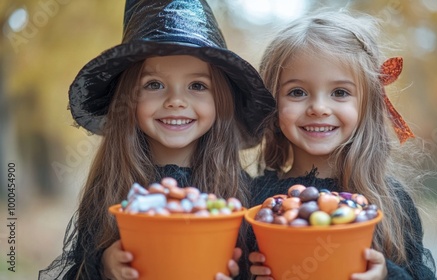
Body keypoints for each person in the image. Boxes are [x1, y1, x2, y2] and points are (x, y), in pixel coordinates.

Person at [38, 0, 274, 279]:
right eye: (154, 85)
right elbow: (80, 266)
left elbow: (257, 265)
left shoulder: (243, 191)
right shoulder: (111, 187)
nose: (175, 101)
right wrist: (104, 266)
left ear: (221, 100)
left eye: (197, 86)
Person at [248, 9, 437, 280]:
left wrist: (386, 275)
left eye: (340, 92)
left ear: (366, 103)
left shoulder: (389, 200)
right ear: (272, 102)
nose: (319, 108)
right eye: (297, 92)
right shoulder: (256, 198)